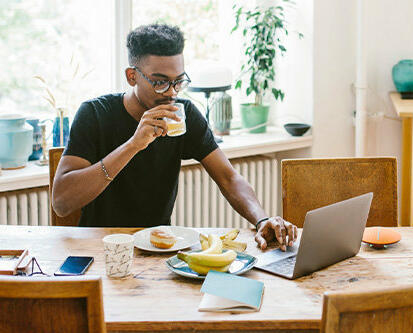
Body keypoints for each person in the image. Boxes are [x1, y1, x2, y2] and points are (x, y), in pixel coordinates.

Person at [52, 23, 296, 251]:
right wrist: (134, 145)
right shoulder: (95, 114)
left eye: (178, 82)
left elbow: (229, 178)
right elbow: (61, 202)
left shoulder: (185, 114)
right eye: (160, 83)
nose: (171, 92)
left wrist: (261, 218)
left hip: (159, 247)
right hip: (102, 246)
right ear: (132, 76)